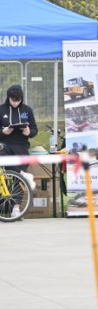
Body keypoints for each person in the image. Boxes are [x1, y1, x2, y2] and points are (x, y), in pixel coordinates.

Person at [0, 85, 38, 219]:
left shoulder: (27, 110)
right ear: (8, 97)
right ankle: (23, 174)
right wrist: (3, 132)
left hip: (21, 144)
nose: (15, 102)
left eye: (18, 100)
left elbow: (34, 129)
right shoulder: (1, 109)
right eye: (13, 99)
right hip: (5, 143)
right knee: (2, 157)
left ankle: (16, 208)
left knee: (19, 173)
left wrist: (29, 132)